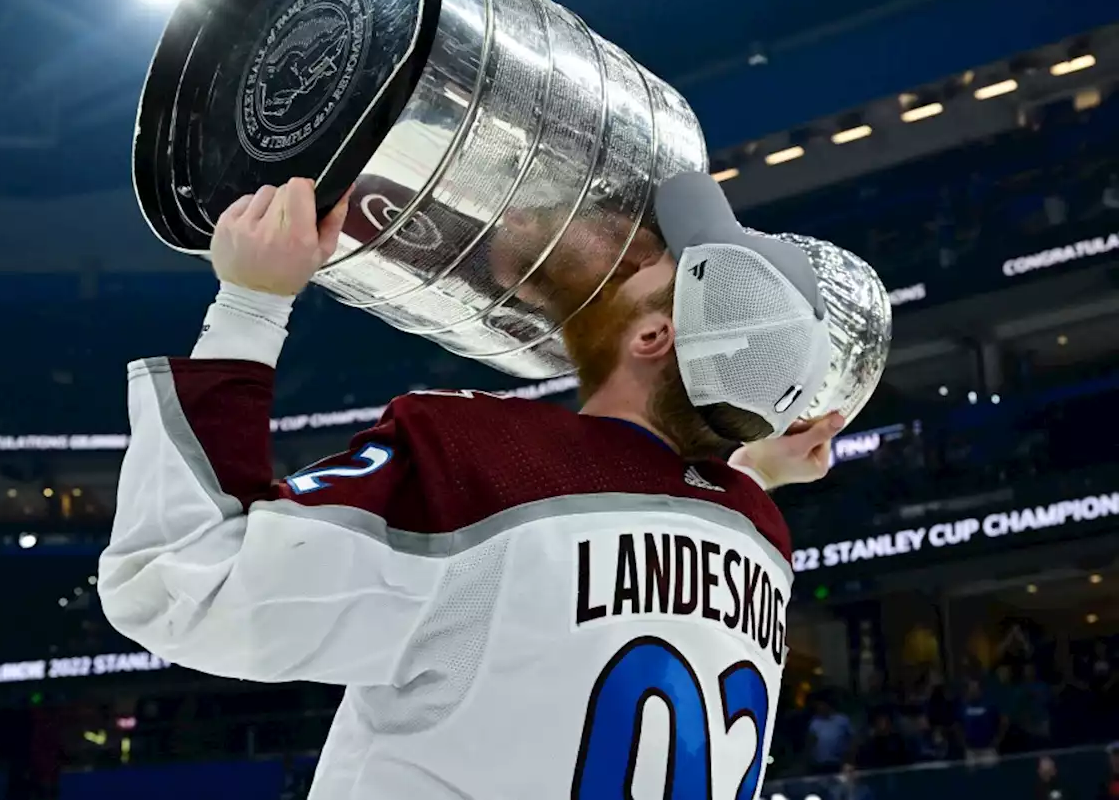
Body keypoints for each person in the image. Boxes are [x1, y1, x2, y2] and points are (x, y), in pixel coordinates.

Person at [99, 174, 844, 799]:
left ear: (653, 338)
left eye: (649, 264)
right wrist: (756, 467)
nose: (632, 254)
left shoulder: (485, 464)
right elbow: (650, 525)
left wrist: (250, 303)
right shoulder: (757, 535)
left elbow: (176, 581)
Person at [808, 695, 855, 775]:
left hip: (839, 762)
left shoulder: (842, 720)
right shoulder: (814, 723)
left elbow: (852, 739)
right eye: (818, 706)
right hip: (820, 763)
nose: (820, 708)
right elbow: (810, 742)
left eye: (822, 705)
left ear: (828, 705)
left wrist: (849, 758)